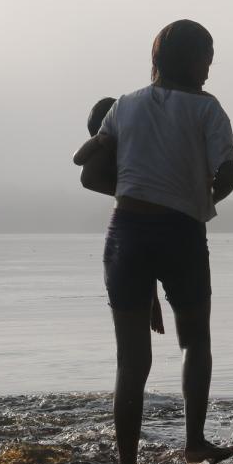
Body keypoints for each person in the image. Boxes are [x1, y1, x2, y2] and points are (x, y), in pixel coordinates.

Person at [72, 19, 233, 464]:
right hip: (180, 232)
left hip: (125, 231)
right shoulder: (208, 109)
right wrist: (199, 197)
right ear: (191, 59)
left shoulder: (124, 105)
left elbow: (89, 166)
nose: (210, 67)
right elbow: (227, 174)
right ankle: (194, 443)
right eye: (207, 56)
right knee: (194, 341)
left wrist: (136, 185)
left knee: (131, 361)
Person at [78, 96, 167, 336]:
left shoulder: (130, 155)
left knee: (132, 357)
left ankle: (151, 302)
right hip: (136, 233)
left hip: (132, 235)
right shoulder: (124, 154)